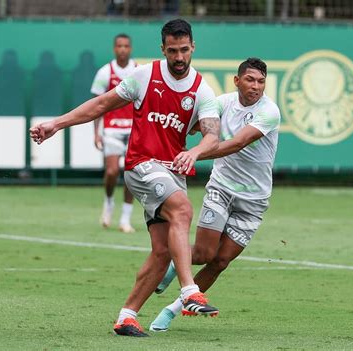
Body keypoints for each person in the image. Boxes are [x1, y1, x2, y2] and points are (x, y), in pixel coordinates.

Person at [30, 19, 221, 337]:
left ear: (193, 48)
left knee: (162, 252)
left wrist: (196, 152)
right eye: (172, 51)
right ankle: (189, 292)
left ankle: (126, 317)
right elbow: (101, 104)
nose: (178, 57)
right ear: (163, 49)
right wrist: (56, 124)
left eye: (184, 50)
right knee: (184, 210)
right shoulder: (144, 76)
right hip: (141, 165)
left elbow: (213, 136)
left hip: (172, 171)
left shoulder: (202, 89)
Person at [149, 57, 281, 332]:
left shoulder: (270, 111)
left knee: (221, 261)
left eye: (261, 81)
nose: (256, 86)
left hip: (254, 201)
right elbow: (193, 123)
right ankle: (174, 265)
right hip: (221, 188)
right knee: (205, 253)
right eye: (250, 80)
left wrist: (195, 153)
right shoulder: (222, 103)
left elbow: (237, 143)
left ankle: (172, 310)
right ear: (237, 81)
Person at [91, 33, 137, 233]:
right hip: (112, 130)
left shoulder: (139, 71)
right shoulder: (105, 72)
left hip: (135, 130)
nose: (123, 49)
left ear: (130, 49)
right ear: (114, 49)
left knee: (132, 174)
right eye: (119, 46)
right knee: (111, 172)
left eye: (126, 46)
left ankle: (125, 218)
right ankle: (109, 202)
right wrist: (96, 132)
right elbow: (97, 105)